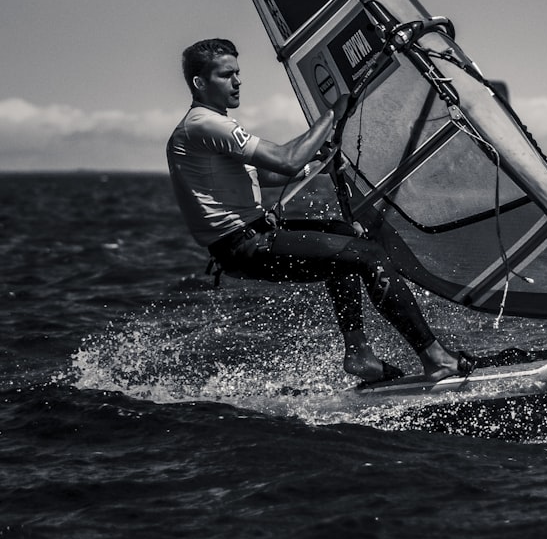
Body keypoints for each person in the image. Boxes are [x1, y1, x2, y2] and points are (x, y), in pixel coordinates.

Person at [166, 38, 471, 385]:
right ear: (200, 83)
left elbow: (265, 174)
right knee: (368, 255)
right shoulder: (204, 124)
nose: (237, 82)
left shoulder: (210, 127)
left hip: (251, 239)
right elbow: (285, 160)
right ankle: (435, 357)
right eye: (226, 75)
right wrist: (332, 114)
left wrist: (319, 162)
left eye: (238, 73)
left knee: (343, 235)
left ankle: (359, 354)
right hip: (244, 246)